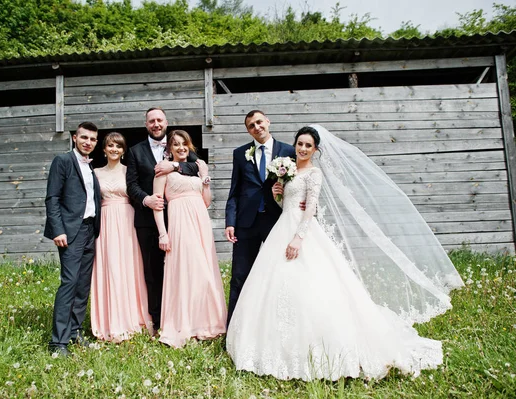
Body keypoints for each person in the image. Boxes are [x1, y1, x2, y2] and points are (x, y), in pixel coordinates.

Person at [226, 125, 464, 381]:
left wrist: (298, 237)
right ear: (294, 145)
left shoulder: (314, 174)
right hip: (283, 225)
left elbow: (310, 209)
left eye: (308, 145)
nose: (303, 148)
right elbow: (289, 205)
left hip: (301, 232)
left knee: (313, 285)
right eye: (300, 144)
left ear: (315, 150)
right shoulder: (289, 170)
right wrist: (277, 195)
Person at [126, 107, 199, 332]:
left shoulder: (179, 144)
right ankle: (159, 321)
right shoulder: (135, 151)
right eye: (151, 121)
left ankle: (185, 316)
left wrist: (175, 165)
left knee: (183, 269)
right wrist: (146, 200)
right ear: (146, 124)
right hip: (148, 221)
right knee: (153, 271)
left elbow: (197, 166)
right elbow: (131, 185)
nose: (156, 124)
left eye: (159, 120)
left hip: (180, 220)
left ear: (166, 122)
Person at [153, 130, 227, 347]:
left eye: (184, 144)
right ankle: (183, 323)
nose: (180, 148)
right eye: (175, 144)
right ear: (169, 149)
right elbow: (158, 205)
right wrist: (163, 233)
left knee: (204, 270)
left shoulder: (196, 169)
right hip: (180, 224)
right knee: (186, 271)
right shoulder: (163, 172)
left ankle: (205, 322)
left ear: (189, 146)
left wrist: (205, 179)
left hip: (200, 222)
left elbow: (206, 201)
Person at [224, 110, 295, 325]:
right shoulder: (240, 153)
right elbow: (234, 191)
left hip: (277, 220)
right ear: (248, 131)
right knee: (239, 276)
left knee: (281, 274)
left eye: (259, 122)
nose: (257, 127)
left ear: (267, 122)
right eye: (251, 126)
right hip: (246, 223)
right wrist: (230, 222)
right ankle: (234, 327)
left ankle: (280, 323)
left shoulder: (288, 151)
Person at [44, 122, 102, 357]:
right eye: (84, 137)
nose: (88, 142)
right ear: (75, 137)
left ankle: (74, 333)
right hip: (70, 232)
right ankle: (58, 342)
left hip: (90, 230)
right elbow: (52, 198)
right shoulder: (63, 161)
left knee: (82, 286)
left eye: (92, 139)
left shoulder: (90, 167)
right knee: (69, 284)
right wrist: (58, 230)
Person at [90, 132, 152, 342]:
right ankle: (110, 321)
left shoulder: (128, 171)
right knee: (110, 268)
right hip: (106, 222)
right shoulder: (95, 173)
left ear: (124, 151)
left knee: (129, 268)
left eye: (118, 146)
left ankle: (133, 317)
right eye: (110, 145)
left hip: (127, 221)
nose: (114, 149)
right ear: (104, 149)